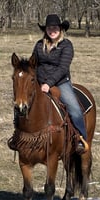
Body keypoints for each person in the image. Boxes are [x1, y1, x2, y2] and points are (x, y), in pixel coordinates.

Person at [33, 14, 88, 154]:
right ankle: (21, 135)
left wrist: (48, 84)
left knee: (74, 108)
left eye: (55, 28)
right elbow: (33, 63)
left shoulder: (66, 45)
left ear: (60, 29)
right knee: (22, 103)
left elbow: (63, 68)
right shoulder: (39, 45)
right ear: (45, 30)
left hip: (60, 82)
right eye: (49, 28)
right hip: (40, 81)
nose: (52, 30)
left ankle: (81, 139)